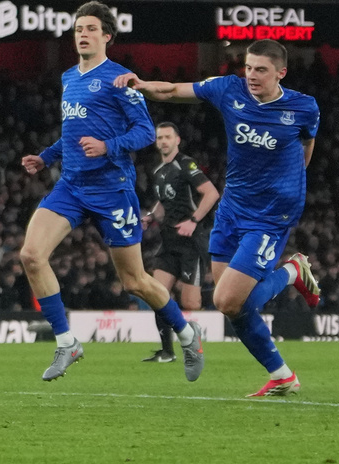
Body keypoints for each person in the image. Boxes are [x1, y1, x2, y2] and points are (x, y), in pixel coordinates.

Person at [115, 39, 320, 397]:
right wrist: (143, 85)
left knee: (228, 300)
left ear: (281, 73)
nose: (251, 75)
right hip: (232, 207)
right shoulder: (229, 89)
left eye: (261, 70)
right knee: (233, 307)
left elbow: (306, 148)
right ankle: (282, 375)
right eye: (248, 67)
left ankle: (292, 271)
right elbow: (174, 90)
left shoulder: (303, 107)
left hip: (271, 215)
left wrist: (285, 184)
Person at [20, 1, 204, 382]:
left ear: (107, 36)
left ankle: (187, 335)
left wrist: (108, 146)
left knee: (135, 281)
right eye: (78, 29)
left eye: (90, 29)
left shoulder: (120, 79)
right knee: (31, 255)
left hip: (112, 190)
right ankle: (67, 342)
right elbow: (72, 133)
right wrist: (46, 157)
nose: (82, 35)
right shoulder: (69, 77)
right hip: (71, 185)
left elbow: (146, 132)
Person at [141, 122, 220, 363]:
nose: (163, 141)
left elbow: (211, 193)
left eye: (168, 137)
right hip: (168, 242)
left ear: (177, 140)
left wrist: (193, 221)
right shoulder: (158, 171)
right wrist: (151, 216)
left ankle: (224, 300)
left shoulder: (186, 164)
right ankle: (167, 352)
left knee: (191, 303)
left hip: (190, 243)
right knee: (157, 295)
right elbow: (164, 201)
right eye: (160, 138)